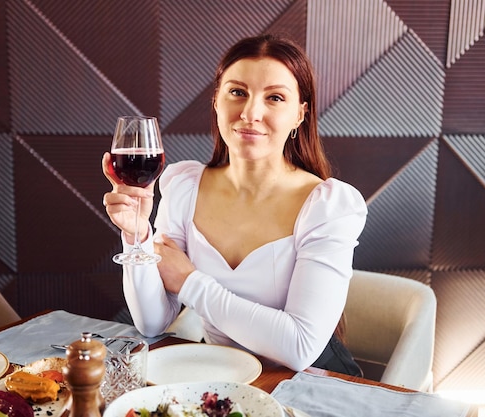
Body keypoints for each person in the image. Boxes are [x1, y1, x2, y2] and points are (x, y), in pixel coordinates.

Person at [102, 34, 367, 374]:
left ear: (300, 115)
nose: (250, 113)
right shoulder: (184, 186)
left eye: (274, 97)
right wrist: (137, 236)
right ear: (216, 101)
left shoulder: (329, 206)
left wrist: (189, 282)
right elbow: (153, 323)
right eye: (237, 92)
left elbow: (299, 348)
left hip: (308, 384)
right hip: (219, 377)